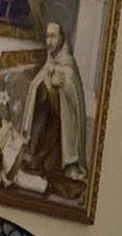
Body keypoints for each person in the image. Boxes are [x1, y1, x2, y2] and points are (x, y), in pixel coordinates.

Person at [21, 20, 88, 195]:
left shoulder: (68, 66)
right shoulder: (50, 63)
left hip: (61, 133)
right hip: (47, 127)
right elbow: (37, 86)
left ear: (62, 38)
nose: (49, 41)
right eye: (47, 36)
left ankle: (62, 164)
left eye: (53, 36)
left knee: (52, 168)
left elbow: (71, 100)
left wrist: (57, 89)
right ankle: (36, 155)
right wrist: (48, 84)